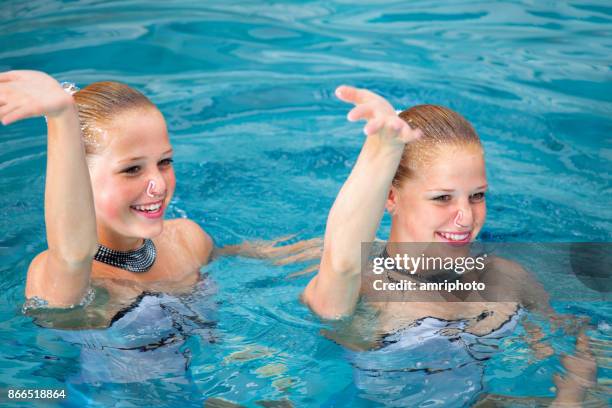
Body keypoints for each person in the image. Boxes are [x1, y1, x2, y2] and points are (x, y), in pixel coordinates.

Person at [302, 85, 597, 406]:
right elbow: (341, 262)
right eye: (442, 198)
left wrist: (571, 395)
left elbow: (569, 344)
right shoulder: (365, 291)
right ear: (390, 196)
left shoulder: (506, 277)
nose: (466, 217)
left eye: (477, 195)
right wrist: (382, 151)